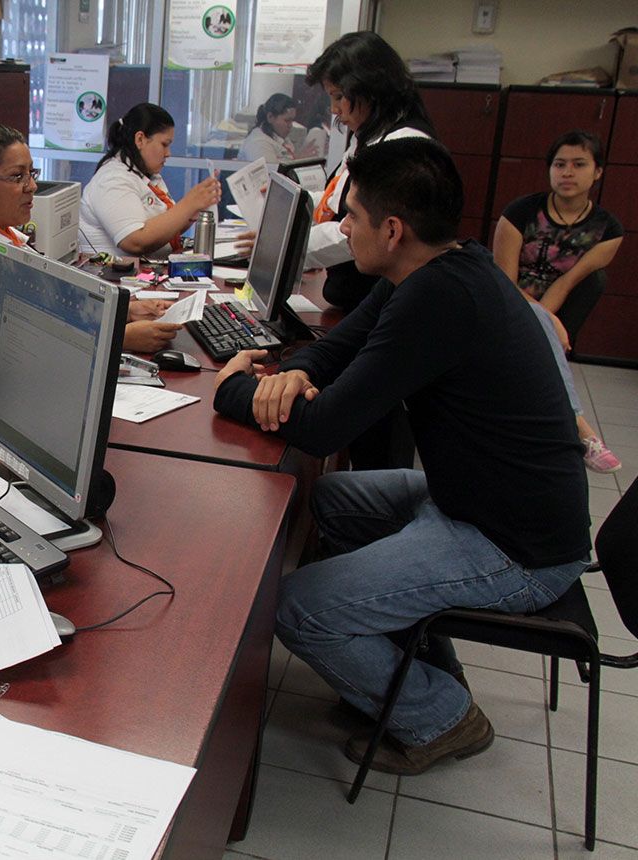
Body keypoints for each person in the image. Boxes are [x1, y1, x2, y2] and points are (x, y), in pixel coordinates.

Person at [212, 138, 590, 775]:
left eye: (352, 216)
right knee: (329, 499)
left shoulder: (439, 300)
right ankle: (416, 664)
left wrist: (232, 390)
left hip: (515, 548)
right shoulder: (437, 267)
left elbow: (324, 428)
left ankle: (441, 716)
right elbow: (335, 350)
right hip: (473, 502)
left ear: (392, 230)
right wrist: (292, 375)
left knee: (296, 606)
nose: (343, 228)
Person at [0, 123, 181, 359]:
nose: (32, 186)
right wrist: (122, 338)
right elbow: (29, 341)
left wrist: (125, 313)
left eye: (31, 173)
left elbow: (51, 309)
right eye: (17, 176)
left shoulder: (5, 234)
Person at [492, 130, 624, 473]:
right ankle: (581, 428)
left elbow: (568, 282)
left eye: (579, 164)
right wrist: (545, 322)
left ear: (598, 171)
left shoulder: (608, 229)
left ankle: (545, 429)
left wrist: (544, 321)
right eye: (559, 164)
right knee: (538, 338)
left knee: (595, 280)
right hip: (506, 300)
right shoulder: (520, 212)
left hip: (558, 307)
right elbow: (503, 282)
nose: (567, 172)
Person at [303, 31, 436, 312]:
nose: (334, 109)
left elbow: (361, 231)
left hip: (379, 302)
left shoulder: (403, 145)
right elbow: (335, 200)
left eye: (339, 97)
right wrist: (293, 204)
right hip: (350, 297)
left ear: (370, 88)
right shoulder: (368, 134)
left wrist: (288, 247)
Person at [79, 103, 221, 260]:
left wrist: (194, 210)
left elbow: (162, 230)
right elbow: (135, 242)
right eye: (164, 145)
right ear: (140, 139)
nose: (168, 153)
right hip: (118, 273)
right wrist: (188, 204)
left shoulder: (146, 175)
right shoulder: (112, 179)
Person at [239, 93, 298, 164]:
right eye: (287, 120)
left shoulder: (280, 137)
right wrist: (301, 158)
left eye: (292, 120)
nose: (290, 125)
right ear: (270, 117)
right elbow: (270, 170)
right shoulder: (258, 143)